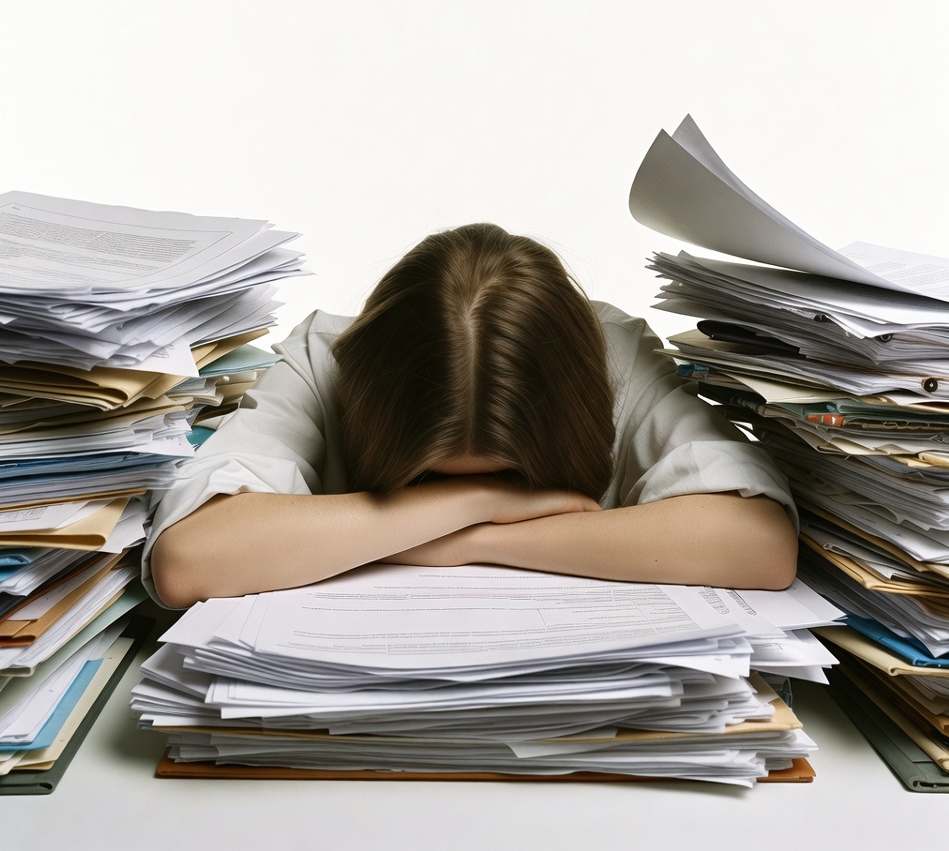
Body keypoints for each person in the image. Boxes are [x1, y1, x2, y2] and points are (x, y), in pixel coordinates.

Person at [145, 223, 798, 609]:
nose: (464, 493)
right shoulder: (327, 359)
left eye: (508, 475)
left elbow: (759, 546)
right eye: (431, 480)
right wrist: (488, 500)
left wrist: (470, 540)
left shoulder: (616, 359)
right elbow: (190, 560)